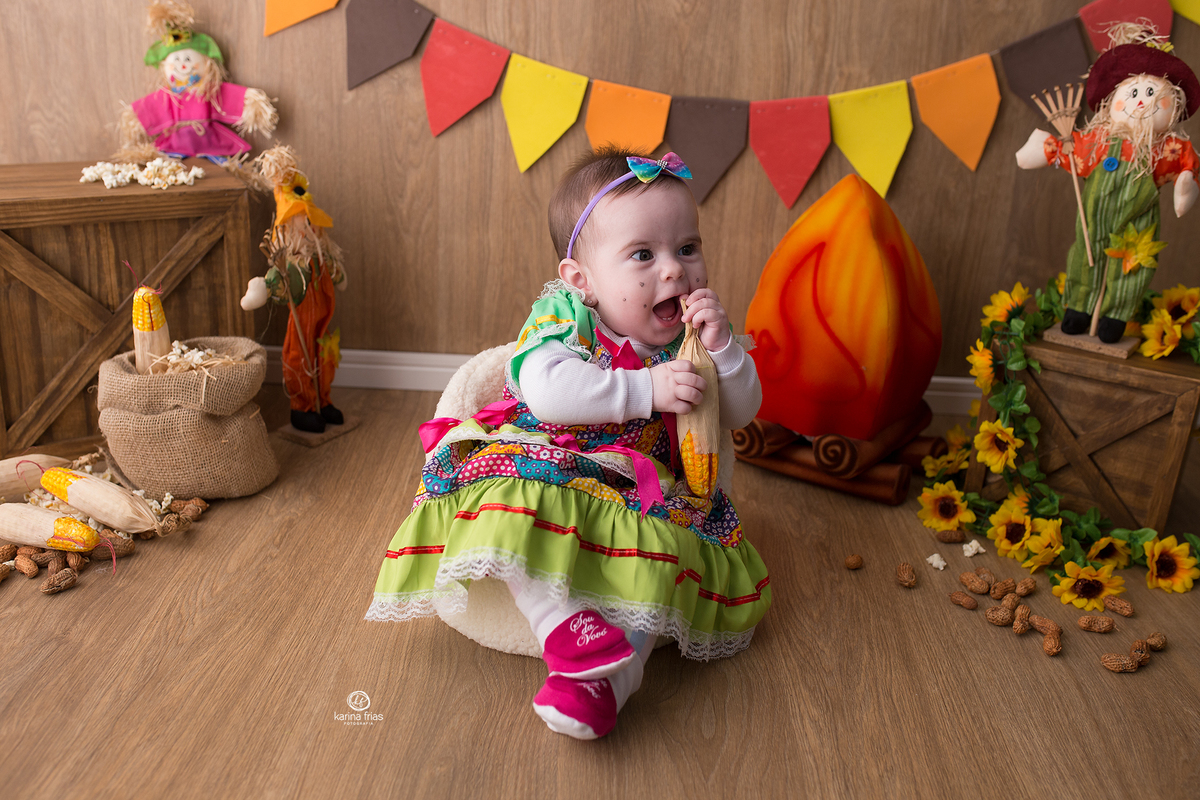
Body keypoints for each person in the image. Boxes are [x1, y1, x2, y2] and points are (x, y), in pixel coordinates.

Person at [366, 147, 771, 740]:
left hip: (638, 484)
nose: (674, 271)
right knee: (514, 500)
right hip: (549, 453)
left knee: (653, 572)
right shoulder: (565, 317)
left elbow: (739, 412)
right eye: (642, 254)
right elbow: (548, 391)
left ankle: (605, 680)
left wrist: (725, 351)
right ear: (582, 280)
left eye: (688, 247)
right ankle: (562, 623)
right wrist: (644, 388)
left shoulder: (690, 336)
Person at [1015, 23, 1198, 343]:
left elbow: (1187, 165)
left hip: (1137, 224)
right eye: (1135, 92)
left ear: (1174, 104)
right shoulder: (1099, 140)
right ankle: (1080, 308)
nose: (1141, 101)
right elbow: (1075, 152)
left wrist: (1185, 185)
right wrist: (1051, 149)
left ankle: (1114, 314)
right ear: (1114, 101)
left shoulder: (1164, 148)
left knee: (1133, 265)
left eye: (1152, 93)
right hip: (1094, 217)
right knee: (1086, 254)